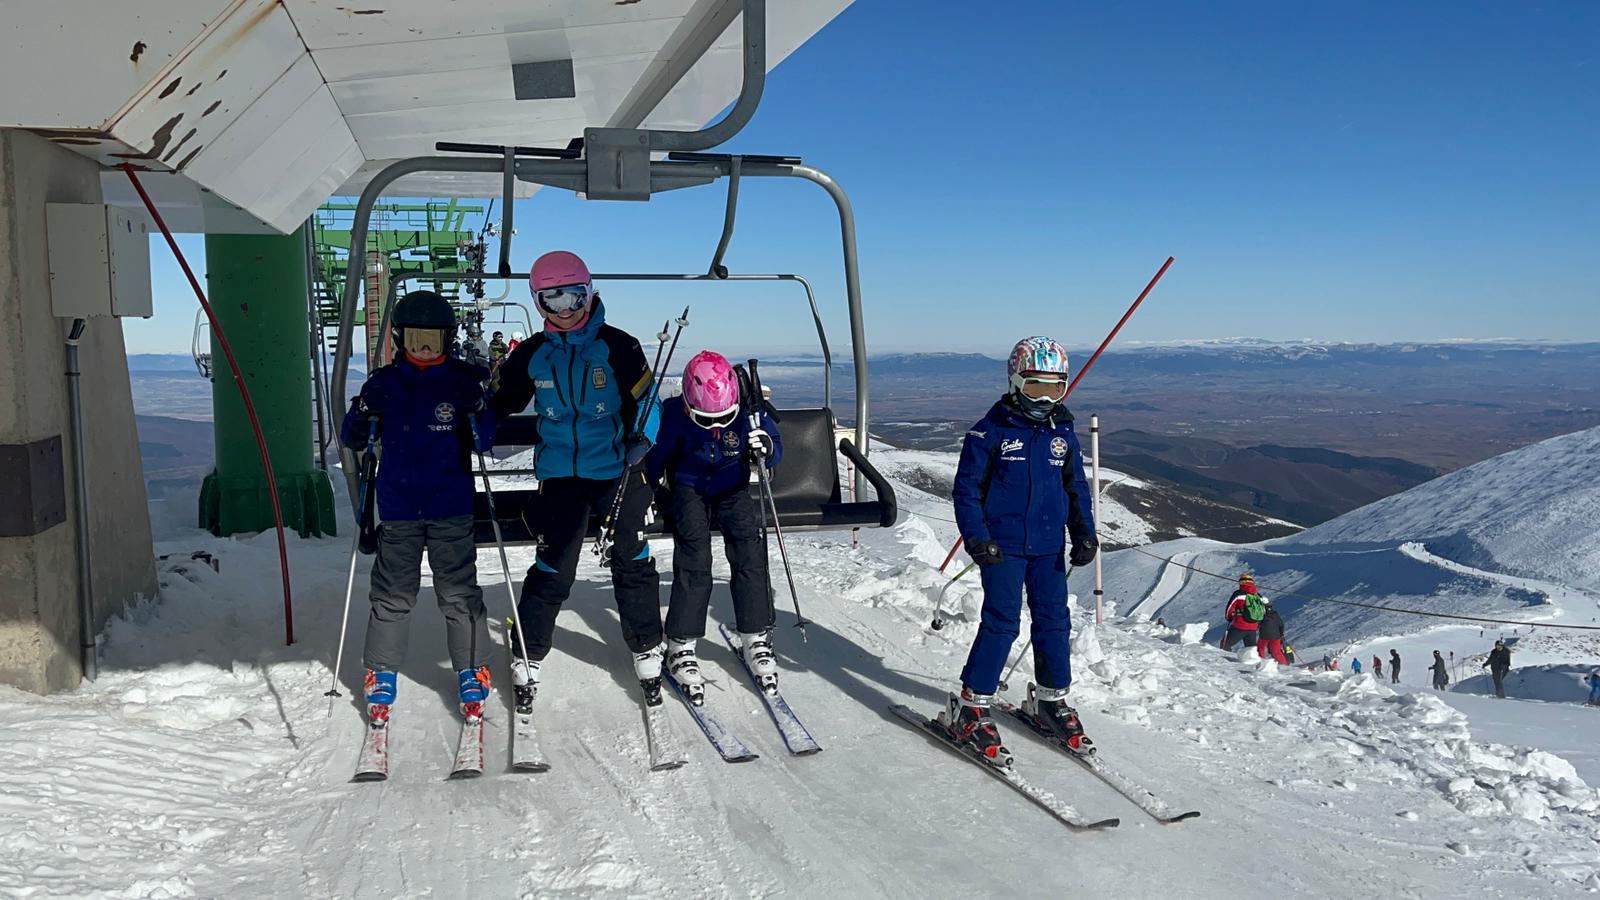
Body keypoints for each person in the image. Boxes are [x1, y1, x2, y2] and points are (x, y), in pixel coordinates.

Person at [487, 250, 665, 710]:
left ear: (591, 294)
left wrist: (642, 437)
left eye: (574, 297)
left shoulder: (619, 347)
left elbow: (649, 402)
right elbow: (499, 400)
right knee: (556, 561)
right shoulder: (533, 354)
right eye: (552, 300)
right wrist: (472, 416)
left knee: (631, 549)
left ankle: (647, 644)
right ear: (538, 302)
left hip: (614, 469)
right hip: (561, 475)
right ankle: (529, 651)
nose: (565, 310)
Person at [340, 290, 496, 725]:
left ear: (447, 340)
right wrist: (363, 412)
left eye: (432, 340)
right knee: (393, 593)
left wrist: (479, 410)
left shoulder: (462, 383)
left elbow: (485, 440)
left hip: (449, 504)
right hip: (400, 506)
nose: (424, 349)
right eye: (415, 340)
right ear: (399, 339)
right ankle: (381, 671)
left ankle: (471, 666)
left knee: (458, 591)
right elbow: (352, 437)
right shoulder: (384, 384)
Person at [946, 336, 1099, 760]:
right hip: (1003, 547)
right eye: (1036, 387)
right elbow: (966, 491)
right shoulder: (989, 431)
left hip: (1049, 547)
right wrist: (977, 538)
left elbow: (1075, 489)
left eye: (1056, 388)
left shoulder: (1063, 433)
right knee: (1002, 621)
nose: (1046, 398)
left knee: (1054, 621)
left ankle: (1051, 698)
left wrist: (1084, 532)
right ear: (1015, 382)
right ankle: (972, 704)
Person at [647, 351, 783, 703]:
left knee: (749, 550)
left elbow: (771, 441)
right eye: (706, 419)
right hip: (689, 487)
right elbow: (656, 458)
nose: (717, 426)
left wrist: (765, 447)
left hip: (731, 487)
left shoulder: (748, 411)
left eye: (723, 417)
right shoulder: (675, 415)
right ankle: (680, 641)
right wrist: (643, 495)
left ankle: (755, 633)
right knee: (695, 556)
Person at [1221, 573, 1264, 651]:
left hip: (1239, 625)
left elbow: (1230, 607)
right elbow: (1262, 610)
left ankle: (1226, 662)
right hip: (1253, 627)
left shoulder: (1238, 594)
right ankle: (1253, 662)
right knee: (1251, 650)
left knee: (1225, 644)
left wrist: (1229, 617)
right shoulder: (1258, 596)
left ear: (1241, 583)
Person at [1256, 597, 1287, 664]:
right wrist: (1281, 634)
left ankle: (1261, 662)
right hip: (1276, 636)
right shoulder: (1275, 613)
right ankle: (1284, 664)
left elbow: (1257, 624)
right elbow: (1281, 624)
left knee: (1260, 648)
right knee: (1277, 652)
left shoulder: (1261, 613)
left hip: (1264, 635)